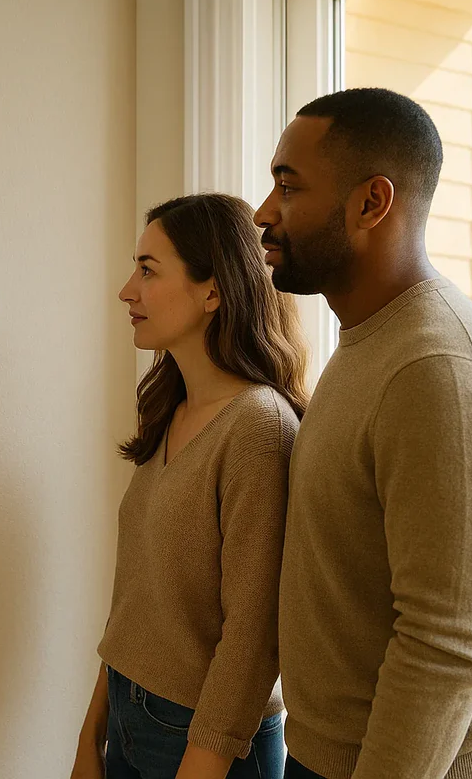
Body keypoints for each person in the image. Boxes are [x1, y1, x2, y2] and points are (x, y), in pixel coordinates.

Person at [254, 88, 472, 779]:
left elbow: (448, 644)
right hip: (328, 756)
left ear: (373, 202)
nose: (263, 212)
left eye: (288, 186)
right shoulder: (372, 339)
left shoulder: (438, 370)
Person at [71, 193, 309, 779]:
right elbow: (139, 597)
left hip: (207, 737)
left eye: (148, 270)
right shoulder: (170, 410)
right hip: (131, 712)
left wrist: (201, 761)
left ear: (213, 290)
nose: (127, 290)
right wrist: (91, 732)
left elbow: (253, 634)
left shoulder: (258, 425)